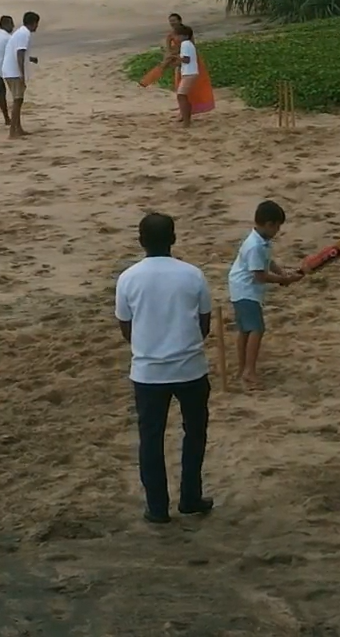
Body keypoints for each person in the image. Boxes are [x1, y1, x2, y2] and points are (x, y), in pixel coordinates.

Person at [114, 212, 214, 524]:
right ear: (173, 239)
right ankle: (190, 496)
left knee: (151, 439)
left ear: (141, 241)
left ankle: (157, 507)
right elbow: (204, 323)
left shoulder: (128, 278)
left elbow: (126, 326)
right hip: (190, 368)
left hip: (148, 372)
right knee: (194, 434)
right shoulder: (192, 275)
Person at [227, 200, 302, 389]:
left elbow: (268, 262)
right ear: (269, 224)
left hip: (241, 288)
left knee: (245, 329)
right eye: (277, 226)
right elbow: (259, 275)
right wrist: (282, 280)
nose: (278, 230)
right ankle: (249, 372)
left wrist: (283, 273)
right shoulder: (255, 245)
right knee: (256, 329)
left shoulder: (261, 242)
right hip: (246, 290)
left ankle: (243, 368)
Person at [3, 12, 40, 138]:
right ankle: (13, 131)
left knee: (18, 100)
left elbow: (20, 53)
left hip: (10, 71)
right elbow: (19, 54)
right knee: (17, 101)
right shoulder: (24, 34)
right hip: (13, 72)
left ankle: (18, 129)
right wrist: (22, 74)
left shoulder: (20, 32)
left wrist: (30, 59)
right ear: (33, 23)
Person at [171, 24, 215, 126]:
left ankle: (186, 121)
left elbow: (186, 59)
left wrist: (176, 58)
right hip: (189, 72)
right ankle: (187, 119)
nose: (176, 38)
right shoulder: (188, 44)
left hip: (189, 73)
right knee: (184, 96)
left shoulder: (185, 44)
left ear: (184, 35)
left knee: (181, 95)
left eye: (177, 35)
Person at [139, 13, 185, 88]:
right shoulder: (171, 35)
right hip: (176, 55)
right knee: (164, 64)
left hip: (185, 55)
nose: (172, 23)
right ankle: (146, 81)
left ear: (180, 21)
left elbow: (191, 45)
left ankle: (146, 81)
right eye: (170, 21)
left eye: (174, 20)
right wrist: (170, 56)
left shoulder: (187, 32)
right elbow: (168, 49)